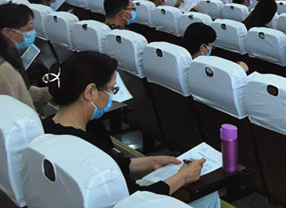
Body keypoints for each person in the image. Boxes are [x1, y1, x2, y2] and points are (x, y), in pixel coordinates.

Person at [41, 52, 209, 199]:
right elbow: (134, 199)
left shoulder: (46, 126)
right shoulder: (89, 147)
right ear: (90, 92)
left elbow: (108, 165)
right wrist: (183, 177)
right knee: (206, 198)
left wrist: (150, 162)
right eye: (111, 90)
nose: (111, 97)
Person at [0, 3, 51, 109]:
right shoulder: (4, 70)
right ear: (7, 32)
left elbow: (20, 90)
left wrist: (45, 93)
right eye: (28, 29)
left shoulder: (10, 53)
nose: (31, 32)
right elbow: (16, 106)